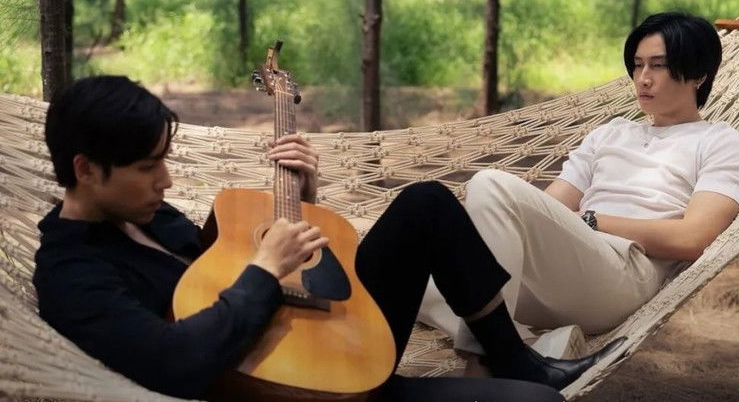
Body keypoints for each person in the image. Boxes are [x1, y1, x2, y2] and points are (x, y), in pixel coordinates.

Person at [33, 76, 623, 402]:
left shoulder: (145, 212)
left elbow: (223, 263)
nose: (165, 181)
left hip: (336, 341)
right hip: (289, 388)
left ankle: (513, 356)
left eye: (164, 161)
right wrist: (265, 270)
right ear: (86, 169)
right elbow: (177, 362)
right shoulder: (72, 274)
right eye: (147, 167)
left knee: (426, 202)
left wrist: (305, 195)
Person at [420, 12, 739, 355]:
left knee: (491, 184)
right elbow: (551, 207)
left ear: (699, 74)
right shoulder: (610, 132)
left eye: (658, 66)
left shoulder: (720, 142)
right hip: (566, 268)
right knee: (416, 278)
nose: (643, 79)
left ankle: (489, 356)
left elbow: (693, 238)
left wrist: (592, 221)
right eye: (637, 65)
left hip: (625, 274)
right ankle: (537, 348)